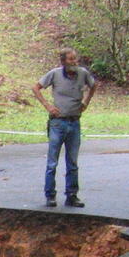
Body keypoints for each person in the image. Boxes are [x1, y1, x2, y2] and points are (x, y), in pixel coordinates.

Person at [32, 48, 97, 207]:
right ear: (63, 61)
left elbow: (94, 86)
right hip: (58, 123)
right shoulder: (54, 74)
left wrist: (86, 102)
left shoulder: (83, 74)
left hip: (74, 122)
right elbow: (36, 88)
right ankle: (50, 195)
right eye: (70, 59)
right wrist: (48, 106)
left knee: (72, 161)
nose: (74, 62)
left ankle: (72, 195)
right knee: (52, 161)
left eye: (75, 59)